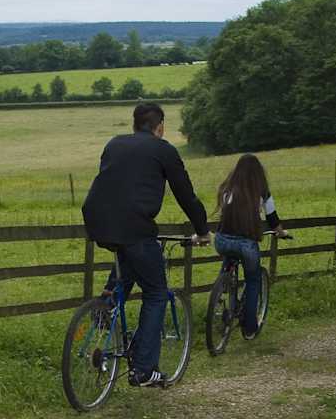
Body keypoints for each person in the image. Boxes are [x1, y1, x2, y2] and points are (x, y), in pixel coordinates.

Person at [82, 102, 211, 387]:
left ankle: (105, 310)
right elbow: (185, 195)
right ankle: (144, 369)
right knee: (156, 292)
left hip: (98, 222)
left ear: (134, 124)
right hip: (135, 227)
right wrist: (202, 230)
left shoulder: (114, 144)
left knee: (129, 263)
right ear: (160, 126)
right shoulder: (163, 150)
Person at [214, 154, 288, 339]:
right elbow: (273, 219)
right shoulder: (262, 192)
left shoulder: (227, 189)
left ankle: (222, 288)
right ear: (258, 173)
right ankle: (249, 327)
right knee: (253, 280)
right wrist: (281, 233)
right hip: (246, 244)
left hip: (222, 240)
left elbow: (224, 215)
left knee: (229, 256)